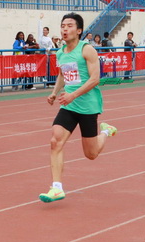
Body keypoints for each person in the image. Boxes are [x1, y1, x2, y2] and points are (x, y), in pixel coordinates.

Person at [39, 13, 117, 203]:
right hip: (69, 105)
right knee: (55, 141)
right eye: (62, 26)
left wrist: (73, 95)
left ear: (79, 30)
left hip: (88, 106)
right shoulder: (60, 52)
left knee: (91, 154)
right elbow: (62, 74)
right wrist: (55, 92)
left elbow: (95, 79)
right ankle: (56, 188)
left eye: (69, 26)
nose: (65, 29)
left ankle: (106, 131)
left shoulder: (87, 50)